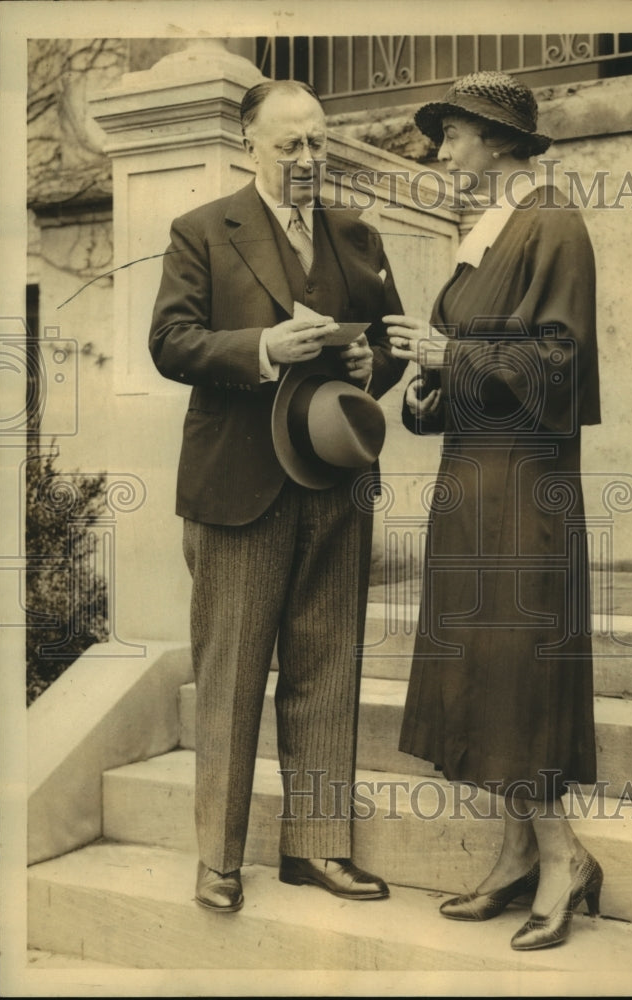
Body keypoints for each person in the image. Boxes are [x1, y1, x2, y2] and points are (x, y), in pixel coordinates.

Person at [149, 79, 406, 912]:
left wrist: (379, 365)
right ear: (248, 146)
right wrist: (260, 344)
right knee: (230, 678)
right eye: (290, 145)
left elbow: (390, 338)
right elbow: (171, 341)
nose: (307, 160)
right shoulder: (201, 231)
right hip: (239, 490)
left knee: (328, 669)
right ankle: (218, 859)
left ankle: (319, 849)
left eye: (317, 143)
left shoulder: (357, 234)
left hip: (334, 480)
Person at [386, 71, 602, 951]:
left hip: (525, 485)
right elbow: (470, 361)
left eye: (454, 135)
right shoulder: (485, 232)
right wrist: (425, 381)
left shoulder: (552, 223)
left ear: (497, 139)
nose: (442, 152)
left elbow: (558, 362)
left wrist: (452, 352)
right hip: (470, 480)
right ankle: (515, 850)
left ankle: (563, 857)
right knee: (479, 667)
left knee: (518, 667)